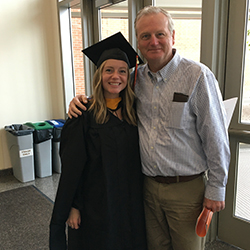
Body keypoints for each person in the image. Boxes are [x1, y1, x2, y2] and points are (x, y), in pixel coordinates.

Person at [67, 6, 230, 250]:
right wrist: (81, 101)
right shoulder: (135, 78)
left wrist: (217, 188)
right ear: (138, 43)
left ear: (172, 37)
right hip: (146, 188)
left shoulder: (197, 76)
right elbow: (109, 93)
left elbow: (215, 136)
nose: (153, 41)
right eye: (145, 36)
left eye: (160, 34)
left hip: (186, 189)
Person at [49, 32, 147, 250]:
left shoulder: (135, 112)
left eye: (122, 71)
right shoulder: (83, 115)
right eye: (109, 70)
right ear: (99, 74)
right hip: (96, 205)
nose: (116, 76)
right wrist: (74, 205)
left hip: (130, 203)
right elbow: (72, 166)